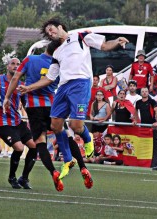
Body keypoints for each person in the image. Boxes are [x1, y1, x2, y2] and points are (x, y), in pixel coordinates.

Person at [13, 18, 129, 181]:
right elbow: (49, 78)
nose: (50, 33)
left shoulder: (80, 37)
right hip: (63, 87)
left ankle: (88, 140)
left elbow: (103, 45)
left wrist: (117, 42)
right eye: (48, 33)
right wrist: (28, 88)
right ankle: (68, 160)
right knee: (56, 124)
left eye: (52, 29)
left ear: (60, 27)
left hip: (80, 84)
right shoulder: (57, 52)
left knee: (76, 126)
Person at [4, 41, 93, 191]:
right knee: (65, 134)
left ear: (46, 48)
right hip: (53, 105)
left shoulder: (31, 59)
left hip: (34, 106)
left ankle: (53, 172)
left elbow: (15, 77)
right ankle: (82, 166)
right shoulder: (59, 64)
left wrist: (7, 97)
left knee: (40, 142)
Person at [0, 57, 37, 189]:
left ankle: (24, 178)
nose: (16, 66)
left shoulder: (20, 84)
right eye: (13, 64)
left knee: (34, 146)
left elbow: (25, 103)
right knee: (19, 148)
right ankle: (12, 177)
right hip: (2, 122)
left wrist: (32, 117)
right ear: (7, 66)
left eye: (18, 64)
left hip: (17, 121)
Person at [134, 87, 157, 167]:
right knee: (144, 146)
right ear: (140, 93)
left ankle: (154, 163)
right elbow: (135, 111)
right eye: (143, 91)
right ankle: (143, 163)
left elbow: (156, 110)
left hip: (152, 128)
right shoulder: (138, 102)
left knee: (154, 147)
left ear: (148, 92)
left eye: (146, 91)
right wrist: (136, 120)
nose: (144, 93)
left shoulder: (152, 101)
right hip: (143, 128)